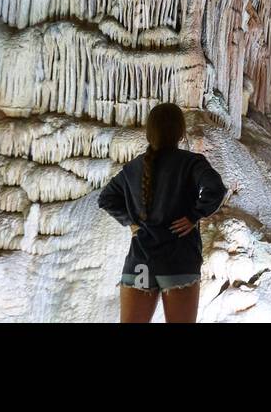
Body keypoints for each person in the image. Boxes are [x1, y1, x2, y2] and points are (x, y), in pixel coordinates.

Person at [97, 102, 227, 323]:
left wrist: (131, 223)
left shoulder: (133, 167)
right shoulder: (191, 163)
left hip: (140, 264)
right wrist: (196, 215)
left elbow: (106, 198)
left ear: (149, 133)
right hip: (178, 263)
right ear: (180, 132)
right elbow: (216, 188)